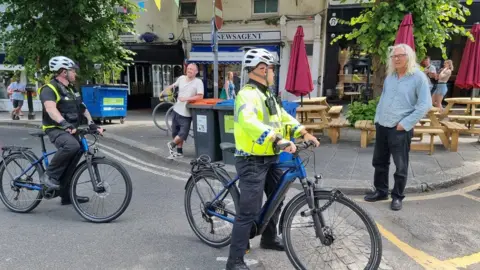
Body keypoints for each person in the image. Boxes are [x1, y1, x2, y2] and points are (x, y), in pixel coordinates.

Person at [225, 48, 320, 270]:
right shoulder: (246, 95)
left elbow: (283, 118)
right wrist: (277, 138)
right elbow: (248, 121)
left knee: (277, 198)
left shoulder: (267, 94)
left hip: (270, 157)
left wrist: (302, 132)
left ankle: (269, 238)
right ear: (261, 69)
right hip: (252, 160)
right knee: (248, 211)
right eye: (272, 70)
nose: (274, 74)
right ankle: (235, 261)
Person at [364, 44, 431, 211]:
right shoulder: (390, 77)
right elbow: (383, 99)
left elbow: (425, 105)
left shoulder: (418, 77)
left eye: (400, 55)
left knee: (400, 165)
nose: (396, 59)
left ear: (409, 57)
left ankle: (397, 196)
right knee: (379, 161)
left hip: (400, 128)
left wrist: (405, 124)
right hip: (383, 125)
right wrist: (377, 118)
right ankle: (381, 191)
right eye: (394, 56)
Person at [38, 56, 103, 205]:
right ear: (62, 72)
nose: (75, 73)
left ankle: (66, 195)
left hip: (71, 129)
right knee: (71, 146)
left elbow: (82, 107)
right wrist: (64, 123)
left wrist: (92, 124)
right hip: (55, 128)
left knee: (77, 153)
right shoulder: (49, 89)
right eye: (72, 70)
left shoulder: (72, 90)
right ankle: (49, 176)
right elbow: (51, 109)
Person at [163, 63, 204, 159]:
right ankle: (179, 152)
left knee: (183, 133)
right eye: (188, 68)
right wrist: (164, 91)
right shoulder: (181, 78)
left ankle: (172, 144)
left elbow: (200, 96)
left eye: (192, 69)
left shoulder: (198, 82)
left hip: (187, 112)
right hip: (176, 109)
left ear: (196, 72)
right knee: (175, 132)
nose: (189, 70)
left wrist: (186, 99)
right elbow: (173, 86)